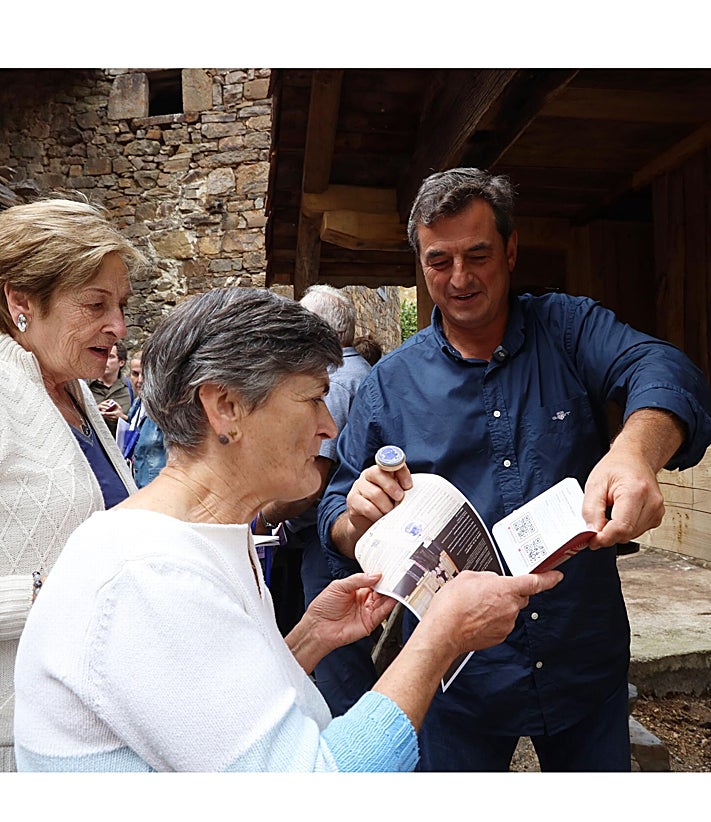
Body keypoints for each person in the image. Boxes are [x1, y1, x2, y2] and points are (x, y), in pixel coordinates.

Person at [13, 287, 562, 772]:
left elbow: (210, 725)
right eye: (312, 397)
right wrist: (438, 638)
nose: (328, 426)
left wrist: (306, 641)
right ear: (226, 405)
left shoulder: (202, 540)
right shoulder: (150, 578)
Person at [318, 167, 711, 772]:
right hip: (457, 678)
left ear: (511, 248)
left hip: (582, 655)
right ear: (420, 264)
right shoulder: (389, 384)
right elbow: (336, 512)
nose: (460, 278)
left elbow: (662, 368)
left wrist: (636, 449)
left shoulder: (569, 329)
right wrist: (356, 518)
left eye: (478, 254)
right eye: (439, 261)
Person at [0, 197, 145, 771]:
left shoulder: (73, 392)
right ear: (21, 302)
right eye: (95, 305)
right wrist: (48, 595)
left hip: (88, 726)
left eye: (121, 305)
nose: (119, 328)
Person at [257, 284, 375, 712]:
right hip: (347, 533)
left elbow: (315, 481)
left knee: (338, 667)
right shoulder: (361, 374)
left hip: (327, 540)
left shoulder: (337, 384)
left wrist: (263, 518)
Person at [123, 348, 166, 488]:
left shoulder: (165, 409)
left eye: (145, 374)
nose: (140, 380)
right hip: (135, 484)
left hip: (157, 487)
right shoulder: (137, 404)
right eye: (135, 374)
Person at [88, 339, 132, 437]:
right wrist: (94, 412)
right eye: (102, 355)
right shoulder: (85, 387)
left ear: (121, 362)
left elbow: (138, 425)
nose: (104, 360)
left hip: (120, 447)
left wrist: (122, 417)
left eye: (110, 357)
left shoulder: (131, 389)